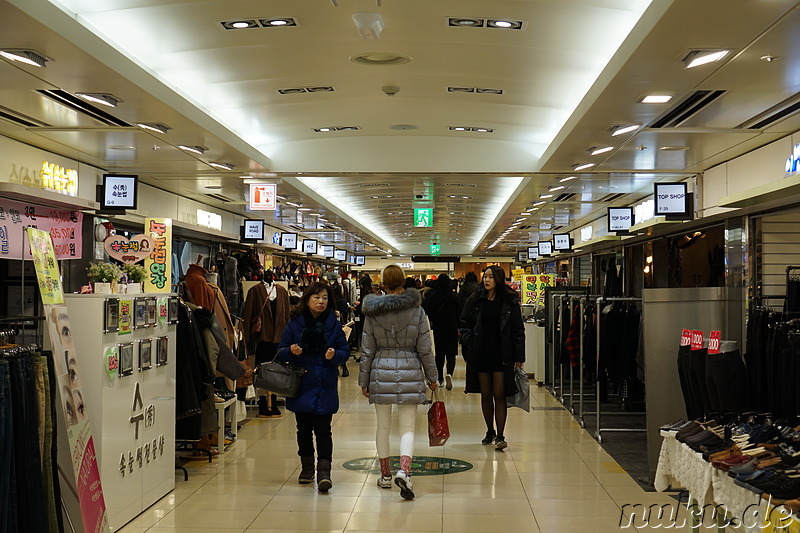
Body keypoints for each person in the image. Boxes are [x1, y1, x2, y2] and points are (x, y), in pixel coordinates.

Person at [359, 264, 438, 500]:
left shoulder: (372, 312)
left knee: (382, 427)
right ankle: (404, 470)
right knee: (407, 428)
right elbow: (425, 350)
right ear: (404, 282)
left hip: (380, 372)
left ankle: (385, 475)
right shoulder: (417, 311)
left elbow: (366, 350)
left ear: (382, 283)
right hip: (410, 371)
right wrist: (433, 377)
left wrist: (364, 380)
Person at [277, 282, 350, 492]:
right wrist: (291, 351)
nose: (321, 302)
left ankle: (324, 472)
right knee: (303, 430)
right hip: (301, 383)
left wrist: (334, 355)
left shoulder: (334, 325)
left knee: (324, 430)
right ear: (307, 299)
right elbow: (280, 351)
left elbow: (344, 351)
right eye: (317, 297)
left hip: (324, 383)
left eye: (325, 298)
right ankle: (307, 468)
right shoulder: (295, 323)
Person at [459, 265, 525, 450]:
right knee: (486, 394)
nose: (486, 280)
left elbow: (518, 330)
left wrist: (519, 356)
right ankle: (490, 431)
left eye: (490, 277)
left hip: (502, 352)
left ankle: (501, 435)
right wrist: (470, 340)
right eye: (485, 277)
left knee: (500, 393)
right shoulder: (476, 299)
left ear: (498, 279)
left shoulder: (509, 300)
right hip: (481, 352)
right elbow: (464, 321)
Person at [423, 274, 461, 391]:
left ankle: (440, 379)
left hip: (438, 328)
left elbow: (428, 311)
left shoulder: (433, 296)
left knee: (439, 355)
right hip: (451, 328)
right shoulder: (454, 297)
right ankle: (449, 373)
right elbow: (460, 312)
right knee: (451, 354)